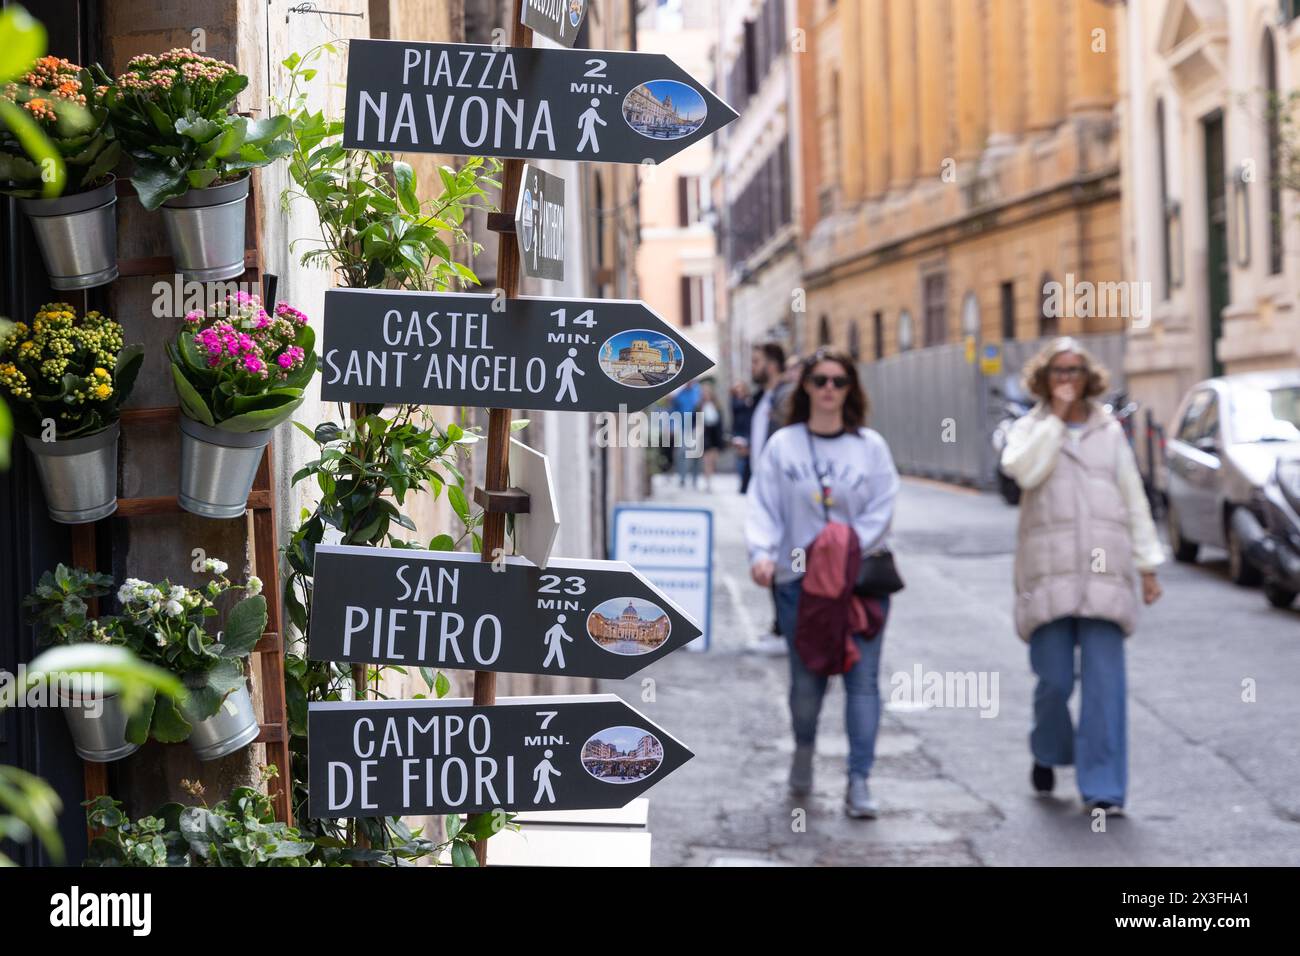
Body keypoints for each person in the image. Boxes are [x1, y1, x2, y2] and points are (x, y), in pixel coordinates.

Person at [1000, 337, 1164, 816]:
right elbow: (1022, 473)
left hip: (1104, 576)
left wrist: (1147, 566)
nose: (1067, 379)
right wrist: (1054, 421)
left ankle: (1104, 790)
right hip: (1048, 574)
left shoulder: (1110, 432)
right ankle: (1048, 750)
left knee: (1105, 686)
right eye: (1058, 372)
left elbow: (1134, 499)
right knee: (1052, 680)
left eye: (1074, 371)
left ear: (1088, 378)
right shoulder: (1028, 429)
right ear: (1044, 379)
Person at [746, 348, 900, 818]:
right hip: (800, 586)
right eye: (819, 381)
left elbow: (883, 506)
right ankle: (804, 749)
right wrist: (762, 553)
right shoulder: (783, 445)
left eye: (838, 381)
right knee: (807, 684)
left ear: (851, 388)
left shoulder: (869, 446)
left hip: (858, 585)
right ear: (805, 388)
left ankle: (859, 781)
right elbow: (764, 504)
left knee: (863, 682)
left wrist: (842, 545)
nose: (829, 389)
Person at [746, 343, 794, 654]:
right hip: (763, 489)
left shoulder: (785, 396)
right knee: (773, 560)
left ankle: (786, 630)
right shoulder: (765, 397)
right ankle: (782, 626)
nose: (752, 367)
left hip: (779, 493)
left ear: (772, 365)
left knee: (782, 563)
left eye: (757, 361)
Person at [670, 381, 701, 488]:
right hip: (682, 428)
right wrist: (672, 426)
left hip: (695, 426)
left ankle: (695, 479)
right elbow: (673, 410)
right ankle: (682, 478)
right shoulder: (679, 393)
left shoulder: (698, 391)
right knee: (681, 454)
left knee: (696, 454)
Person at [698, 380, 725, 491]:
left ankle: (710, 479)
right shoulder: (699, 406)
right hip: (705, 434)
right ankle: (707, 482)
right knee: (706, 459)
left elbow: (720, 422)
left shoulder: (717, 406)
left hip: (715, 435)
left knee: (712, 460)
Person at [730, 381, 754, 490]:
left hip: (748, 431)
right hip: (739, 432)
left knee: (747, 456)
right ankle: (742, 480)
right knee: (741, 457)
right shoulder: (735, 401)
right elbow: (737, 407)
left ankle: (746, 480)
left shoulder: (750, 399)